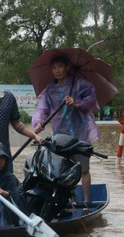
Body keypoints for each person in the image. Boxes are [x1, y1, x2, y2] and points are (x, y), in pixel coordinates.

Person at [32, 55, 100, 205]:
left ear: (67, 67)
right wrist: (38, 123)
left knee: (84, 169)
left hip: (81, 133)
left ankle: (87, 202)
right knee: (62, 172)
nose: (58, 71)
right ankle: (66, 204)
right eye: (54, 68)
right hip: (60, 136)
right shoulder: (50, 89)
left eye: (60, 67)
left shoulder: (79, 83)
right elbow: (42, 109)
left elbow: (92, 98)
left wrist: (77, 103)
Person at [0, 141, 27, 228]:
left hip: (7, 219)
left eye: (2, 158)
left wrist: (6, 193)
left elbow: (20, 199)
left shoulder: (10, 178)